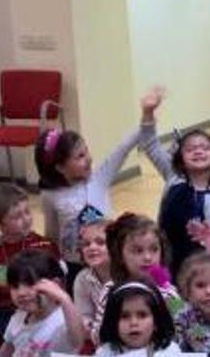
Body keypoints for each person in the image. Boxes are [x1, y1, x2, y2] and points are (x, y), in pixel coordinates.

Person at [36, 108, 148, 272]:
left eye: (86, 151)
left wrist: (147, 117)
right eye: (79, 156)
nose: (88, 158)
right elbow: (52, 234)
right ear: (60, 167)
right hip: (75, 264)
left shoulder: (99, 179)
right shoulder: (50, 196)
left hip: (109, 258)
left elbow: (122, 149)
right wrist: (53, 263)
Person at [136, 89, 210, 274]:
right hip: (165, 264)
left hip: (201, 270)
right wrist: (148, 113)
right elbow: (150, 144)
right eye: (190, 149)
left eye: (205, 148)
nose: (198, 151)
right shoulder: (174, 178)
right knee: (169, 301)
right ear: (180, 158)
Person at [0, 182, 60, 335]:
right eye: (16, 216)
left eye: (27, 212)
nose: (26, 219)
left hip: (39, 308)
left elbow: (49, 279)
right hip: (3, 312)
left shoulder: (44, 246)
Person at [0, 250, 85, 357]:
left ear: (55, 285)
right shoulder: (18, 318)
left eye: (30, 284)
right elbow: (3, 355)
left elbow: (78, 341)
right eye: (15, 286)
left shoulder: (64, 318)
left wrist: (64, 298)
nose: (21, 293)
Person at [106, 213, 182, 314]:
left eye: (154, 249)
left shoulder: (168, 292)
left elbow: (188, 327)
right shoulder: (110, 290)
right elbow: (100, 329)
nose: (148, 257)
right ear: (120, 255)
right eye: (138, 251)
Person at [94, 281, 180, 357]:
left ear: (156, 323)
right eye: (124, 316)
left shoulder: (170, 352)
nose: (133, 323)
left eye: (142, 315)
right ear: (113, 323)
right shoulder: (105, 354)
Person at [71, 210, 111, 345]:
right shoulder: (82, 279)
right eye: (86, 244)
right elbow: (84, 315)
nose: (92, 247)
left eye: (101, 242)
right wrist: (87, 325)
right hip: (99, 338)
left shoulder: (127, 274)